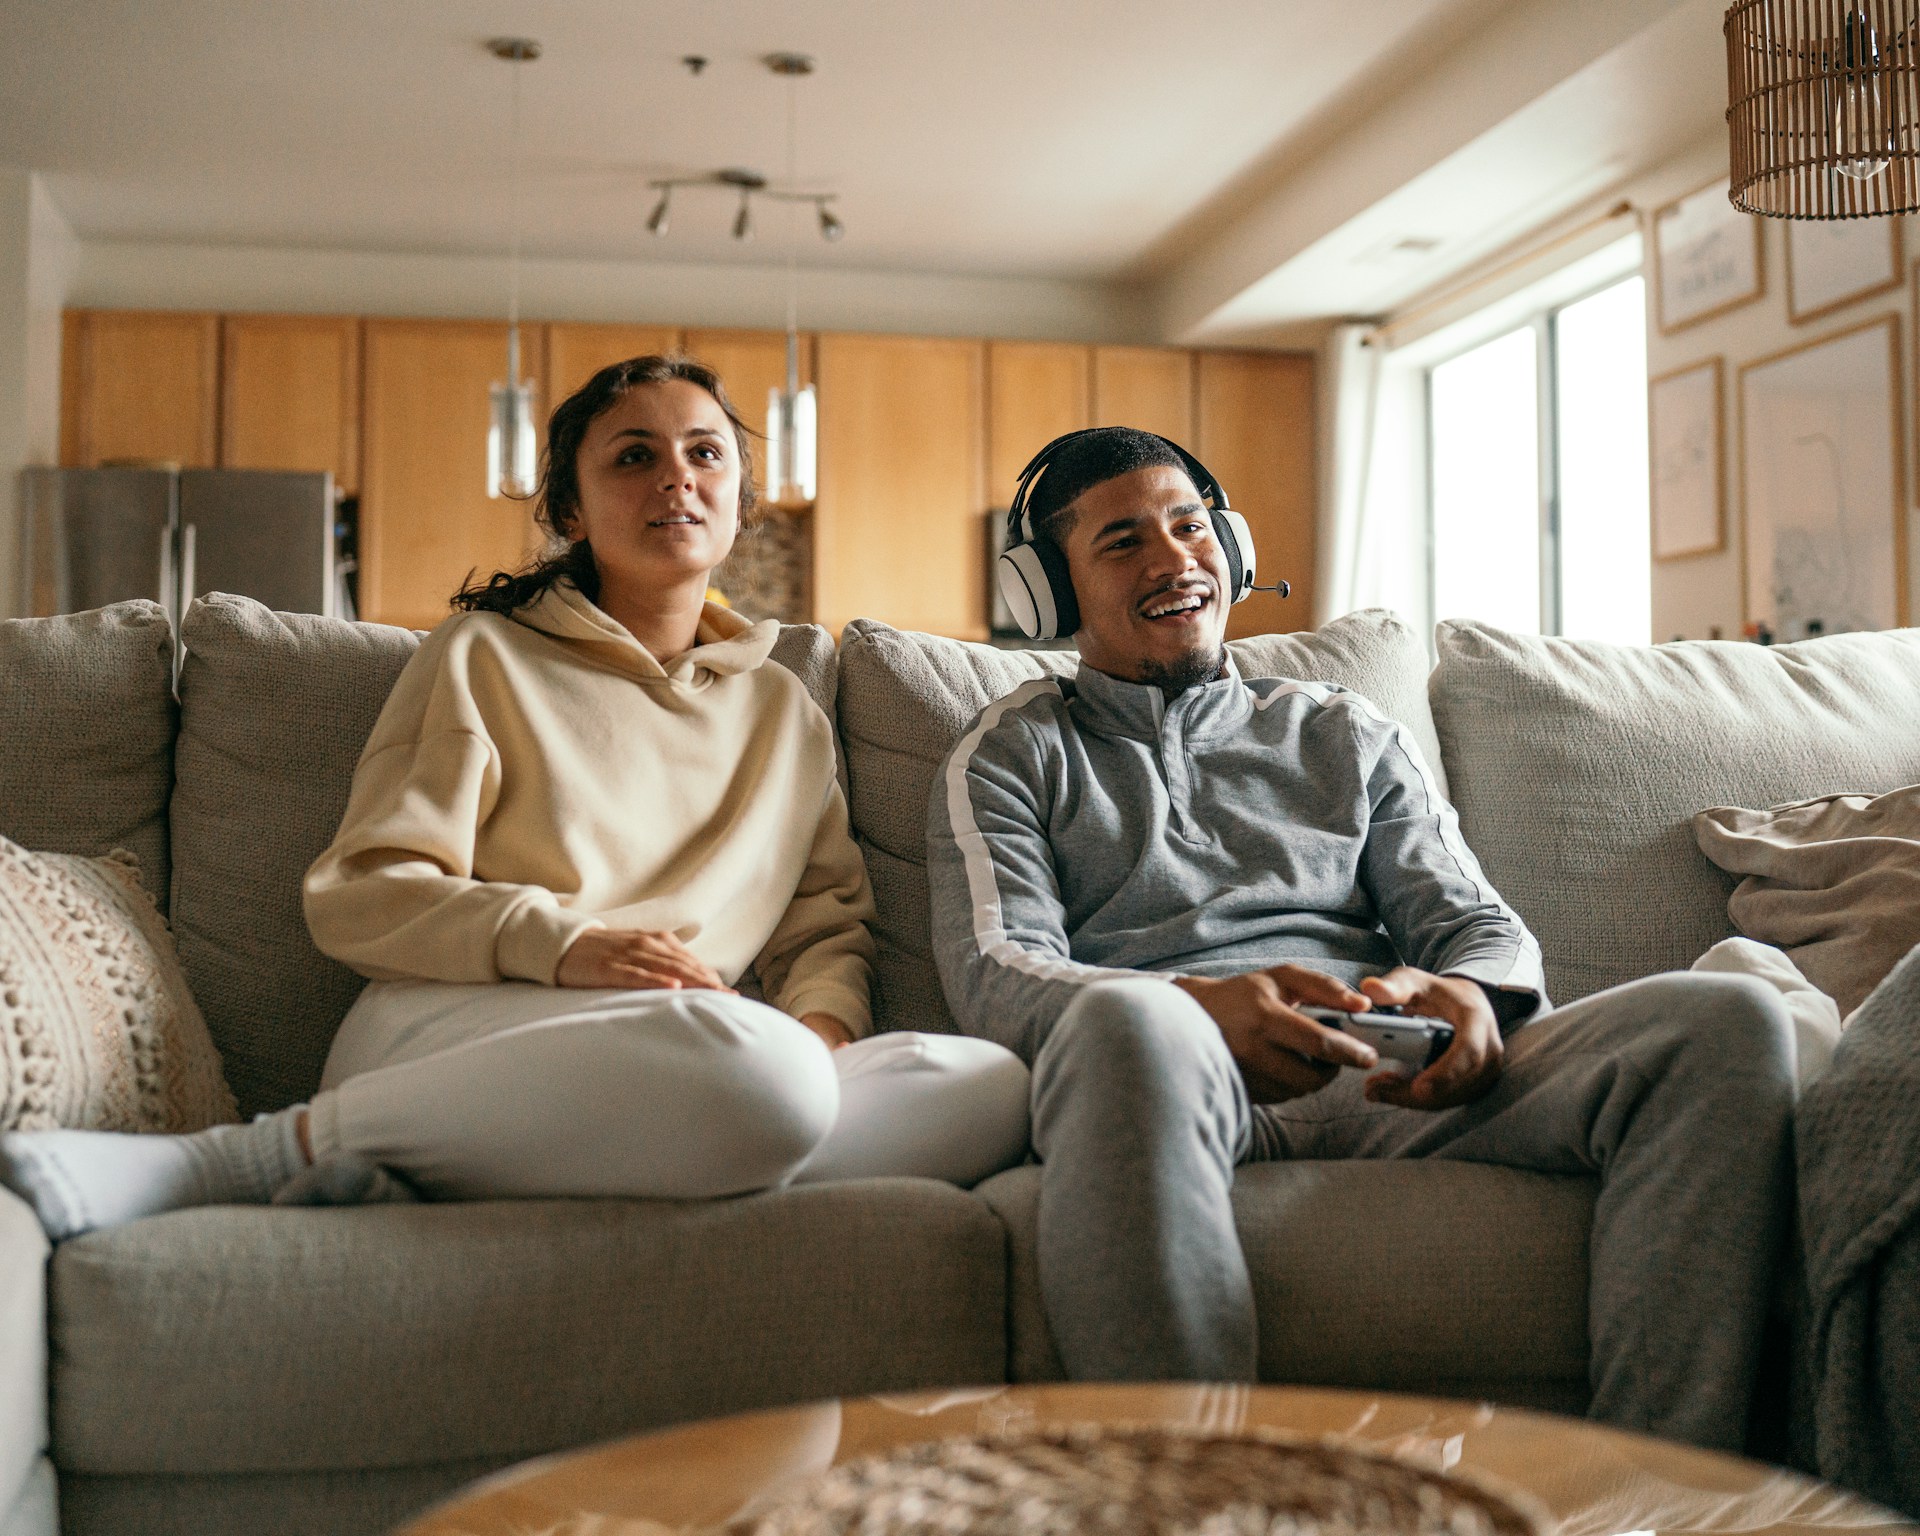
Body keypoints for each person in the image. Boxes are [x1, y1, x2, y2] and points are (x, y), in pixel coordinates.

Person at [3, 354, 1030, 1238]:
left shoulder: (784, 713)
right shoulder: (485, 657)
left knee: (987, 1087)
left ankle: (589, 1162)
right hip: (463, 1024)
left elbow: (826, 931)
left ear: (742, 502)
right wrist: (569, 947)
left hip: (690, 1057)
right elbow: (363, 891)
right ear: (572, 510)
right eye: (635, 454)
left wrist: (819, 1036)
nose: (677, 474)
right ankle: (249, 1159)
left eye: (706, 452)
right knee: (759, 1078)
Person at [926, 426, 1796, 1453]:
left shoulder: (1342, 730)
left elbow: (1473, 921)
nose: (1174, 559)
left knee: (1726, 1019)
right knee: (1127, 1018)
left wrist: (1475, 997)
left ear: (1234, 551)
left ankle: (1664, 1494)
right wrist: (1198, 1008)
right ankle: (1205, 1503)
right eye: (1123, 542)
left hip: (1390, 1061)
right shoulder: (1012, 752)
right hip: (1172, 1066)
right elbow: (995, 963)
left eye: (1190, 526)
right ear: (1051, 596)